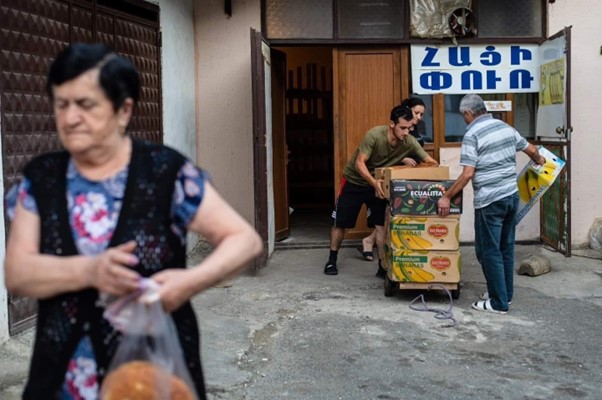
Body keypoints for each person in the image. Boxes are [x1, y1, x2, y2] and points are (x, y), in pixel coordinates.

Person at [3, 43, 263, 399]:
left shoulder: (164, 172)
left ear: (124, 110)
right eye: (61, 103)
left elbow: (244, 239)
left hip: (153, 371)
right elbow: (18, 272)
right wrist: (90, 271)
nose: (70, 117)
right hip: (63, 374)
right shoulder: (42, 178)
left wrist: (190, 281)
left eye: (85, 104)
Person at [436, 94, 544, 314]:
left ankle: (497, 303)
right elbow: (532, 150)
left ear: (468, 113)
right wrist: (540, 161)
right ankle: (504, 295)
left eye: (463, 116)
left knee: (488, 251)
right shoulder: (505, 127)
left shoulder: (472, 134)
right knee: (505, 248)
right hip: (511, 197)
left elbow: (467, 174)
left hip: (490, 201)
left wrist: (447, 196)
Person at [324, 105, 437, 277]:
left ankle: (382, 266)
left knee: (381, 225)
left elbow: (432, 163)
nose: (406, 132)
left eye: (410, 128)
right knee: (340, 222)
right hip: (354, 181)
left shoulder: (409, 142)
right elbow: (359, 162)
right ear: (392, 124)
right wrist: (373, 182)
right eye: (403, 128)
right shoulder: (375, 135)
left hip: (378, 184)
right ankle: (332, 260)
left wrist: (408, 170)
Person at [359, 97, 430, 261]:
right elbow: (387, 157)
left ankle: (371, 241)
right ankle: (382, 257)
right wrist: (402, 159)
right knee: (388, 216)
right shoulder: (391, 130)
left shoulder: (414, 131)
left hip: (411, 177)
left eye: (421, 114)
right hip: (394, 177)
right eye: (416, 113)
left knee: (396, 216)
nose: (419, 118)